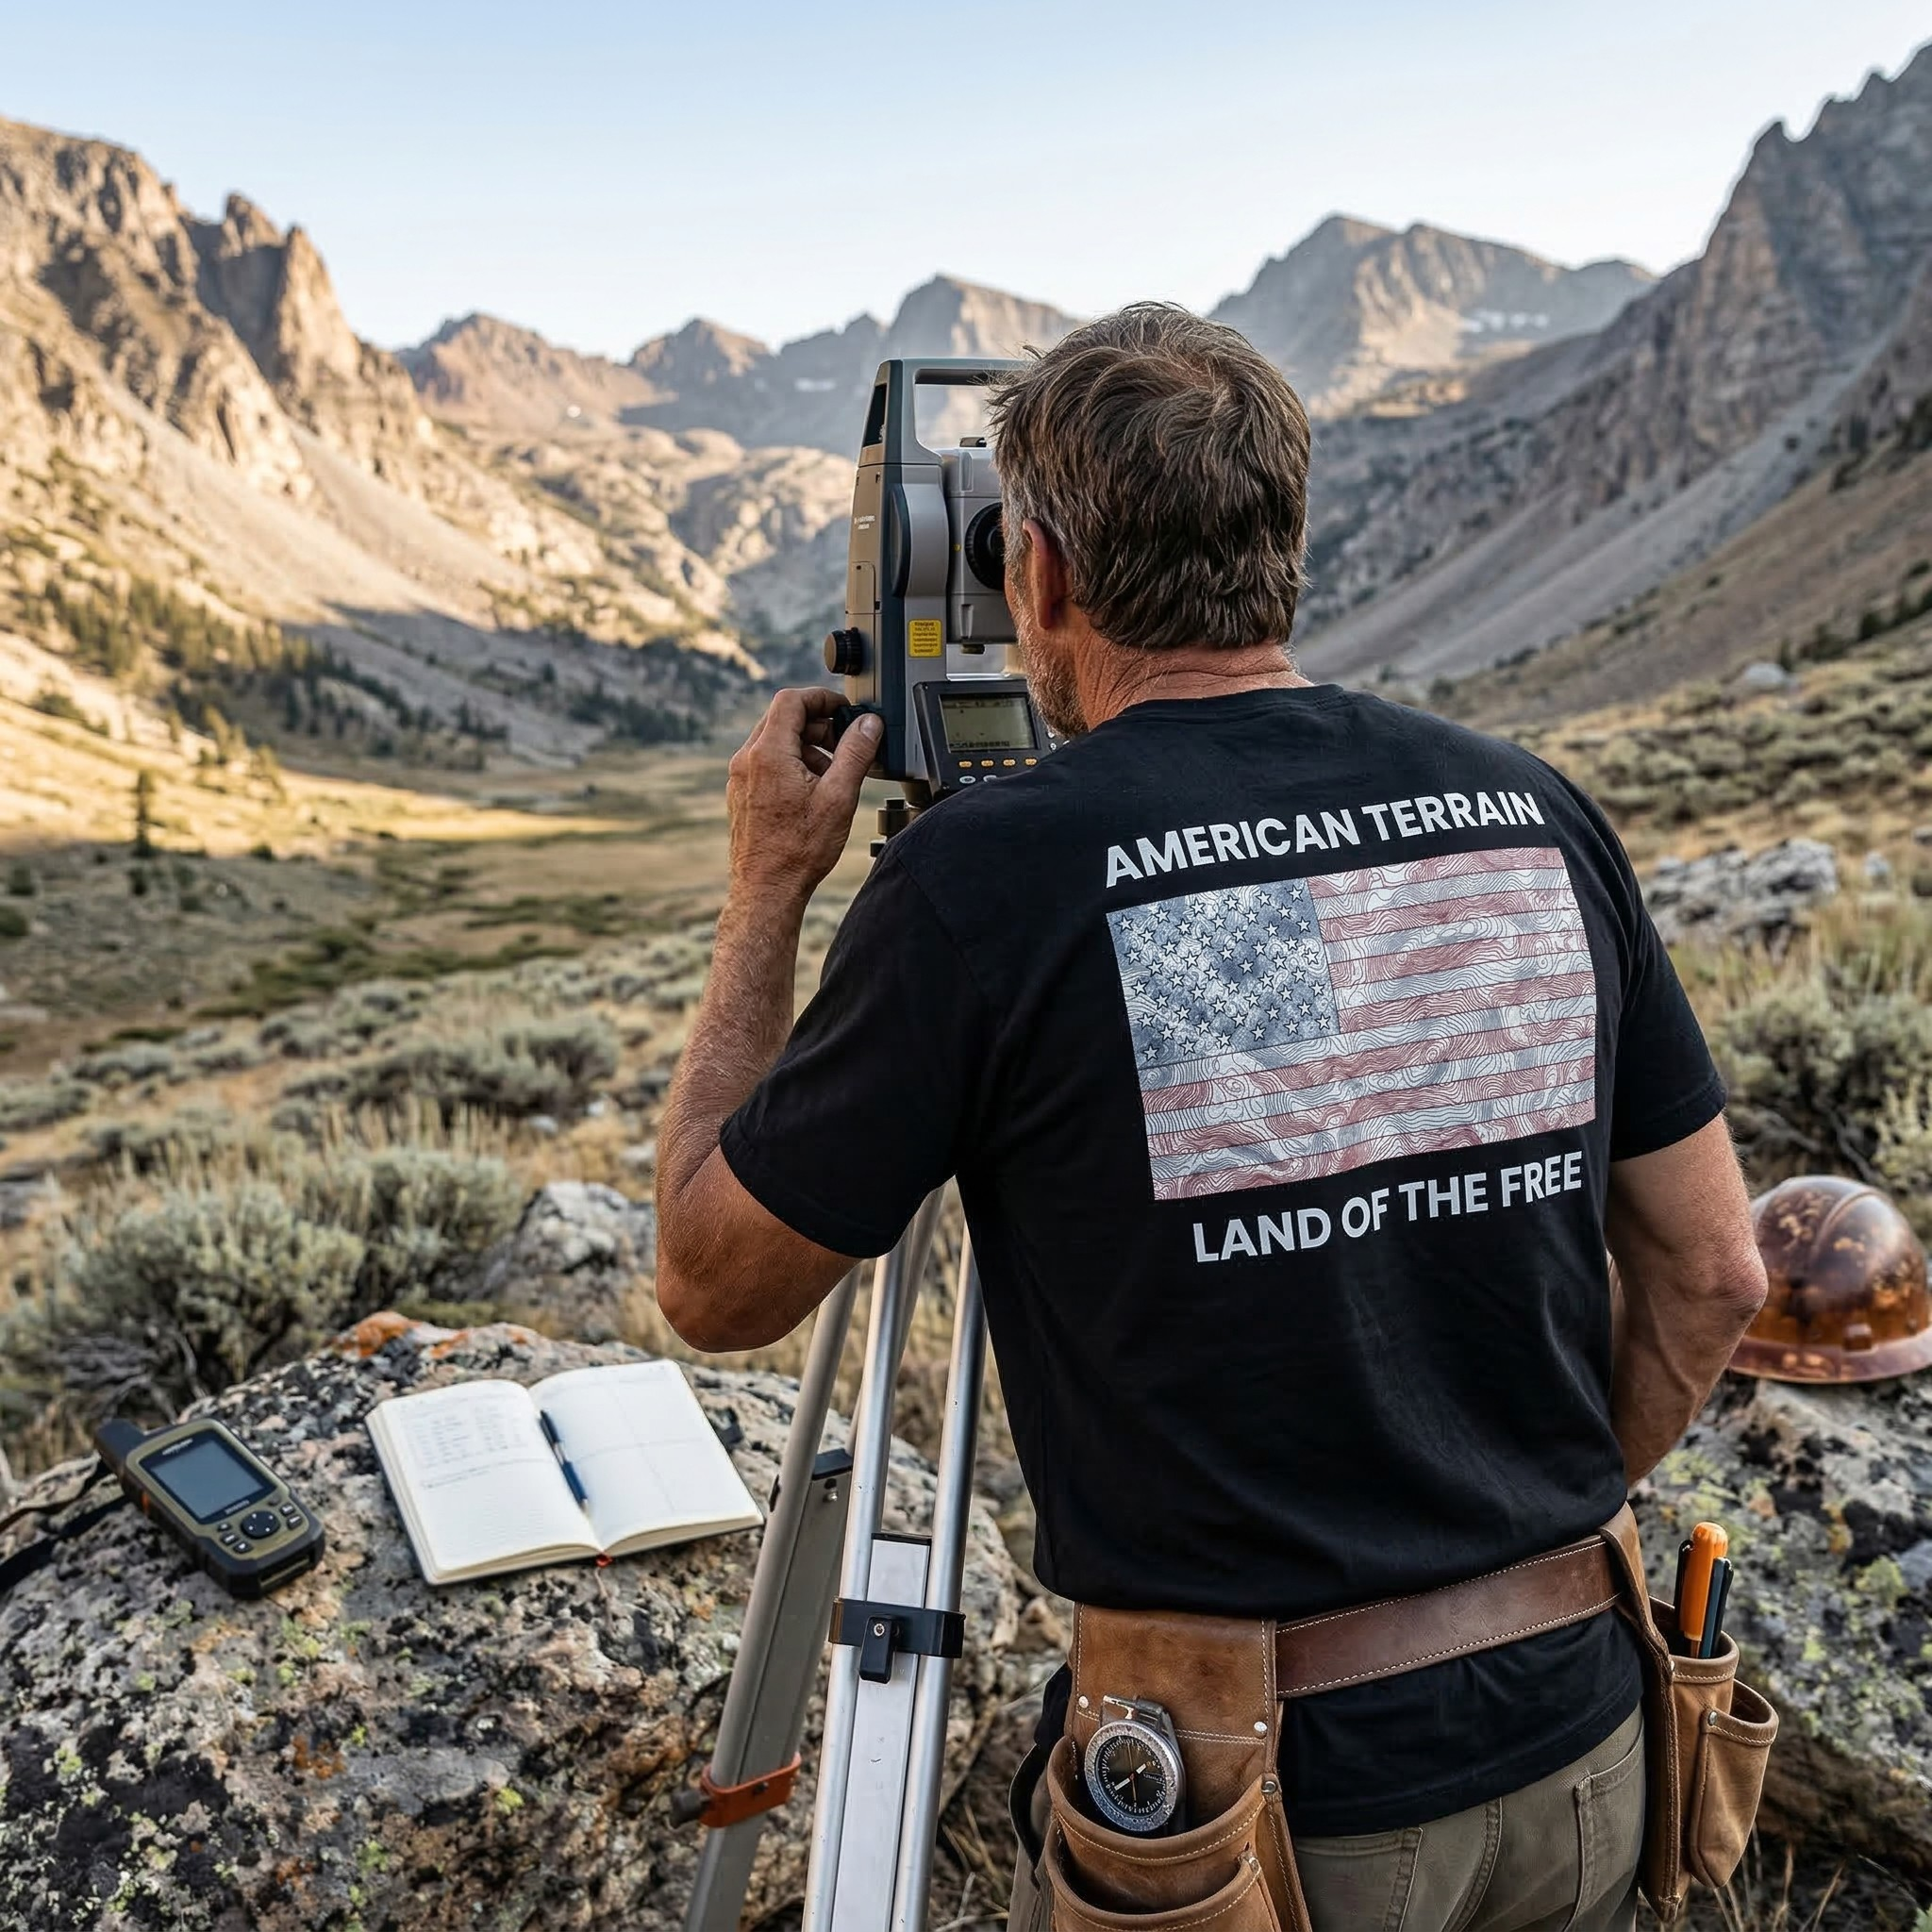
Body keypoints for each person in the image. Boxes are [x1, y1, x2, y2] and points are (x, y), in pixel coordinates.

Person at [654, 306, 1768, 1932]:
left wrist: (766, 890)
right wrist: (1500, 1547)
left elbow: (712, 1283)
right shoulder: (1534, 811)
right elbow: (1719, 1273)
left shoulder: (992, 879)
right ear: (1287, 545)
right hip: (1588, 1739)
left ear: (1033, 575)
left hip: (1249, 1810)